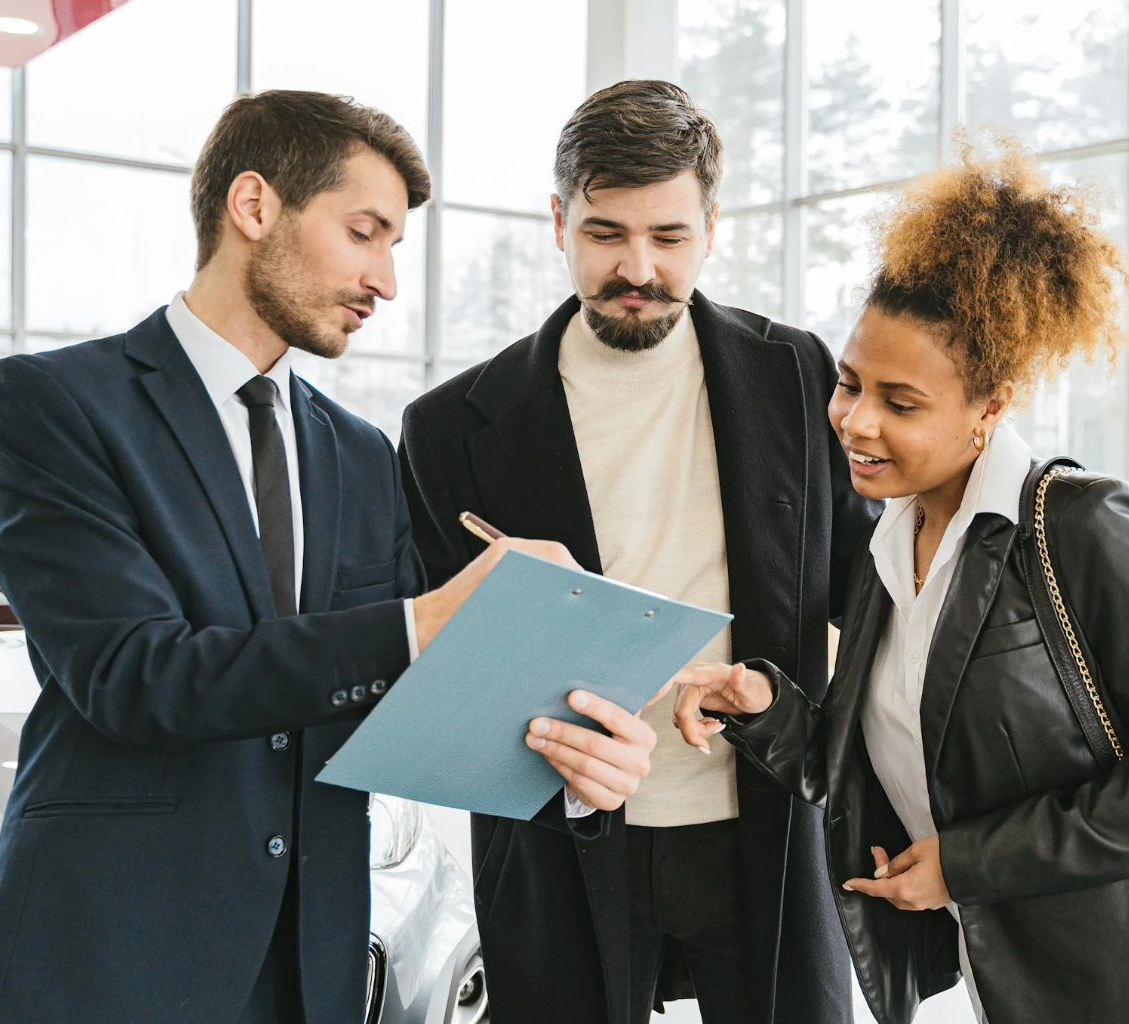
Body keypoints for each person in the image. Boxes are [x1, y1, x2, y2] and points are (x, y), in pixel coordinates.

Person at [0, 90, 657, 1024]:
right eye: (365, 233)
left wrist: (569, 759)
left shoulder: (361, 454)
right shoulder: (57, 404)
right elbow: (130, 676)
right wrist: (423, 620)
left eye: (394, 245)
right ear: (253, 207)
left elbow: (409, 703)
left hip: (313, 966)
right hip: (114, 953)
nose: (387, 281)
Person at [669, 137, 1129, 1024]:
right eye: (848, 384)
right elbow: (884, 764)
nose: (856, 422)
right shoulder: (890, 542)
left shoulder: (1082, 527)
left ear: (990, 406)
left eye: (901, 404)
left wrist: (967, 862)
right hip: (1006, 986)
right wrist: (767, 712)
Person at [399, 80, 879, 1024]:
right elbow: (435, 669)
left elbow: (865, 594)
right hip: (556, 838)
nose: (638, 268)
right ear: (557, 221)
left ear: (712, 224)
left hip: (766, 823)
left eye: (669, 238)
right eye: (605, 233)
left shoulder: (799, 374)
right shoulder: (449, 428)